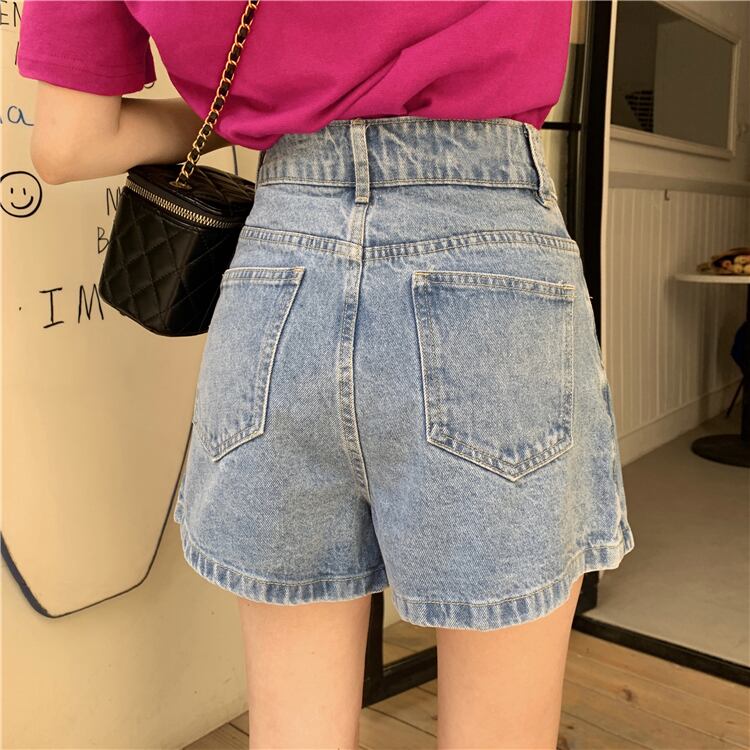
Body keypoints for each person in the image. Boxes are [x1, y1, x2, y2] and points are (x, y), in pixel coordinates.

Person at [17, 1, 635, 747]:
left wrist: (272, 113)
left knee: (294, 730)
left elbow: (69, 142)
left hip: (280, 270)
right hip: (484, 254)